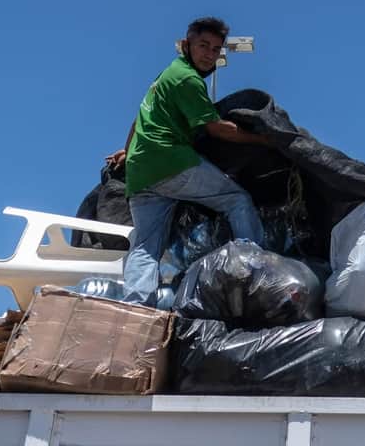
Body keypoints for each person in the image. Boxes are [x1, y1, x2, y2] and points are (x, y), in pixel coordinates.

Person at [108, 16, 268, 306]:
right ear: (186, 45)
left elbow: (139, 116)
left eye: (216, 49)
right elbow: (217, 129)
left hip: (140, 173)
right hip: (171, 163)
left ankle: (135, 308)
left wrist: (126, 149)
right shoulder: (187, 79)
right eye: (203, 45)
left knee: (146, 247)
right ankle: (254, 274)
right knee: (236, 199)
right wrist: (265, 140)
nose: (210, 54)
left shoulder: (166, 75)